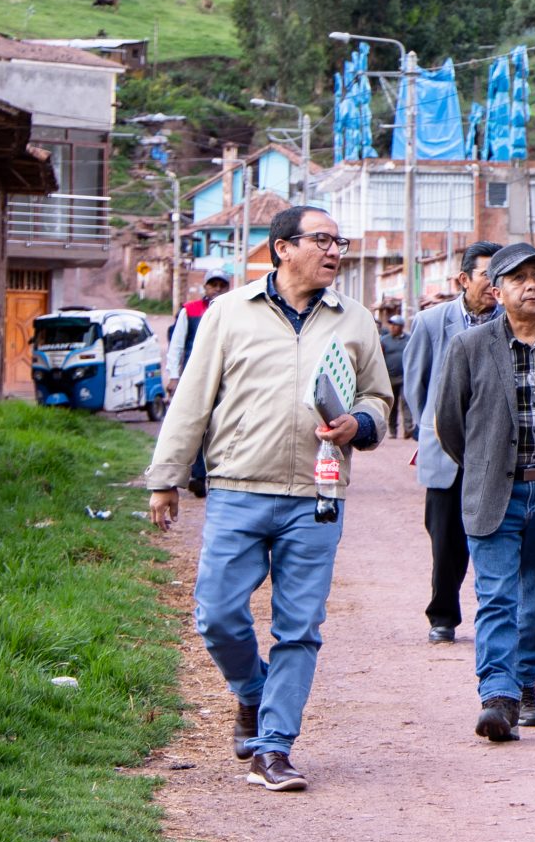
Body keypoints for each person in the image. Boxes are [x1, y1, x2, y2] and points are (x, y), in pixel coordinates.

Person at [144, 206, 393, 792]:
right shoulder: (231, 313)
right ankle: (252, 693)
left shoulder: (354, 321)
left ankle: (274, 748)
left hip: (318, 493)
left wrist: (360, 421)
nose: (334, 251)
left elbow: (380, 399)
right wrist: (166, 477)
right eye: (322, 240)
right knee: (217, 615)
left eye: (340, 242)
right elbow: (193, 401)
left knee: (299, 628)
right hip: (238, 488)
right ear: (282, 248)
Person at [434, 243, 535, 742]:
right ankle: (498, 696)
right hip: (492, 492)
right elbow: (449, 423)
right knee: (497, 596)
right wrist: (487, 465)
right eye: (519, 278)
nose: (532, 285)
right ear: (496, 290)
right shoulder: (470, 346)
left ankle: (525, 684)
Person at [399, 242, 500, 644]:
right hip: (445, 449)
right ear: (464, 279)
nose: (497, 285)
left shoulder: (513, 322)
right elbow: (416, 385)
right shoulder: (431, 322)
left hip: (495, 449)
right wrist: (434, 427)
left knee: (498, 534)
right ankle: (442, 615)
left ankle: (496, 618)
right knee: (445, 536)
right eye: (488, 276)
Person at [162, 272, 231, 392]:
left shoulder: (234, 311)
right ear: (205, 287)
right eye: (213, 285)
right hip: (193, 375)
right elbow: (176, 345)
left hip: (225, 377)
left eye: (222, 285)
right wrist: (174, 376)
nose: (218, 289)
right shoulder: (189, 310)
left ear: (228, 288)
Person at [377, 305, 409, 440]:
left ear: (401, 326)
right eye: (390, 325)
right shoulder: (384, 340)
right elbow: (379, 357)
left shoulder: (409, 339)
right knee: (393, 405)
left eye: (395, 325)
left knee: (406, 402)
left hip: (405, 377)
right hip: (390, 378)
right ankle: (392, 430)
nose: (392, 327)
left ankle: (408, 428)